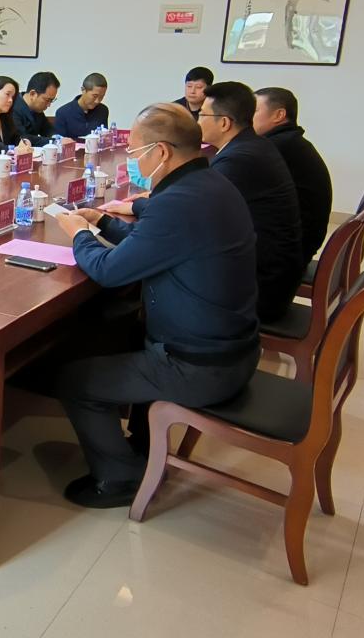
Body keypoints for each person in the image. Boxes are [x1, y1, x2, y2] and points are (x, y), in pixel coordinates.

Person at [51, 103, 259, 508]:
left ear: (161, 151)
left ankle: (119, 478)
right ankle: (141, 446)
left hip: (201, 367)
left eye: (134, 152)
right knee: (114, 330)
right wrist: (103, 222)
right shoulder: (210, 184)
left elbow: (109, 271)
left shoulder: (178, 202)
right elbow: (154, 242)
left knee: (75, 380)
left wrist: (79, 233)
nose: (133, 160)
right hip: (233, 347)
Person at [197, 82, 304, 322]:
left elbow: (194, 212)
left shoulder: (239, 159)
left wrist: (139, 206)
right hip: (273, 271)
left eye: (202, 115)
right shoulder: (253, 145)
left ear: (224, 123)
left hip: (262, 288)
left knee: (166, 269)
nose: (197, 121)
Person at [253, 87, 333, 265]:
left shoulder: (276, 147)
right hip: (300, 240)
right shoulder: (290, 141)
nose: (247, 117)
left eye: (254, 111)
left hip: (288, 252)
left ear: (279, 115)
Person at [52, 72, 109, 139]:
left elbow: (104, 138)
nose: (97, 101)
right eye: (94, 96)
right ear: (83, 90)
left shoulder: (103, 110)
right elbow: (59, 141)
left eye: (101, 97)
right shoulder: (63, 113)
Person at [11, 71, 61, 144]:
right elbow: (23, 138)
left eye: (52, 100)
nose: (49, 105)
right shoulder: (12, 108)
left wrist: (58, 137)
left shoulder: (37, 109)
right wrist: (54, 141)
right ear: (33, 94)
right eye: (47, 100)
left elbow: (47, 129)